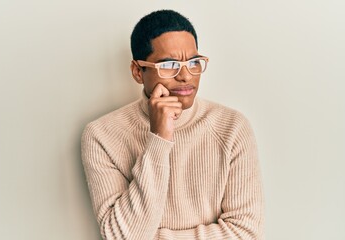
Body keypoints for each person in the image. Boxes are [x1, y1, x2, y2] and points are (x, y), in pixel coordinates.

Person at [81, 9, 264, 240]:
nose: (186, 76)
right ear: (138, 72)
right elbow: (122, 237)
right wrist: (159, 138)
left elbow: (246, 232)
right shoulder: (101, 135)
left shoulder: (232, 127)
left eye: (194, 62)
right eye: (169, 65)